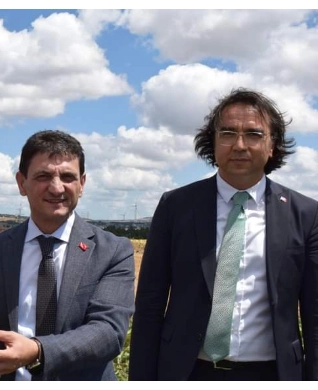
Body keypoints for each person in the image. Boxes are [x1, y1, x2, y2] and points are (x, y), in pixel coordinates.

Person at [129, 88, 318, 380]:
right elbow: (150, 303)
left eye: (253, 134)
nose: (239, 145)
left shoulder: (305, 214)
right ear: (213, 142)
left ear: (272, 146)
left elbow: (314, 313)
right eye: (228, 133)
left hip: (272, 373)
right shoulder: (176, 206)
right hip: (187, 371)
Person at [0, 130, 135, 381]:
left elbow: (109, 332)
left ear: (82, 184)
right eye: (43, 176)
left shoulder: (112, 251)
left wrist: (37, 350)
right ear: (21, 183)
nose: (56, 187)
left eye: (68, 176)